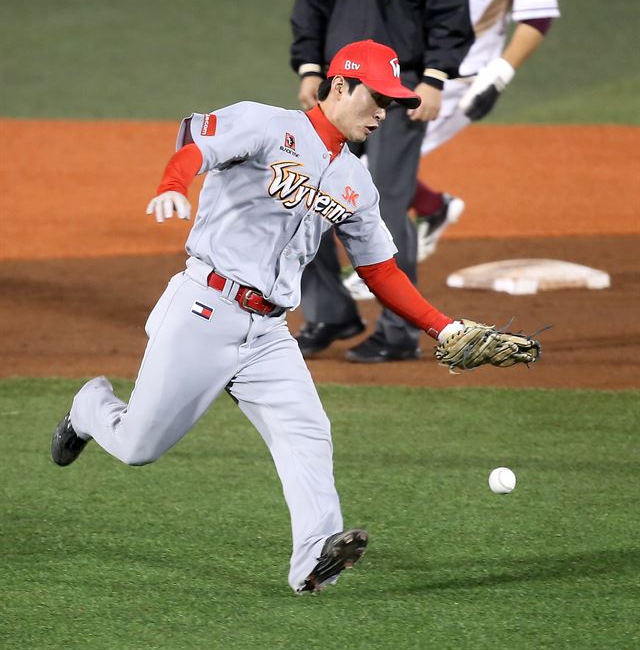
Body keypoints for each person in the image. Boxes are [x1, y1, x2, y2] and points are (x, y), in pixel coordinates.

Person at [51, 40, 476, 596]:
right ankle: (89, 407)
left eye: (392, 105)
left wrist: (442, 326)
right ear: (341, 86)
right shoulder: (266, 126)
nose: (382, 114)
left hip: (269, 332)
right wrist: (172, 186)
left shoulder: (357, 182)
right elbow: (195, 150)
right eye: (377, 99)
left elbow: (380, 270)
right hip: (205, 309)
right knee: (138, 446)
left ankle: (312, 563)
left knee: (307, 429)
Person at [343, 0, 561, 303]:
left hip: (456, 81)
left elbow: (538, 14)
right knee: (353, 151)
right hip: (395, 66)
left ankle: (385, 265)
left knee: (376, 166)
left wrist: (499, 76)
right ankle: (432, 209)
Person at [290, 0, 474, 363]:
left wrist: (437, 79)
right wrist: (308, 68)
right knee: (299, 195)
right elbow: (311, 4)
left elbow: (451, 10)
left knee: (388, 207)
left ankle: (399, 333)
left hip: (401, 89)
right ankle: (330, 312)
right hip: (339, 91)